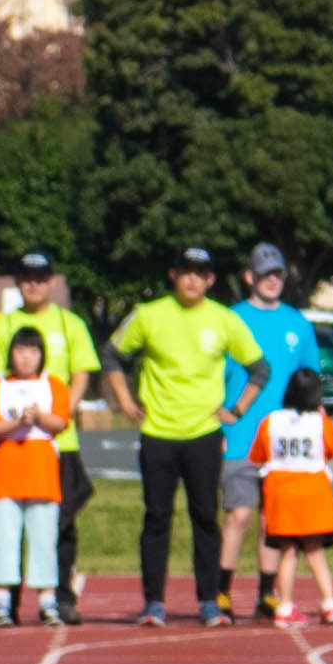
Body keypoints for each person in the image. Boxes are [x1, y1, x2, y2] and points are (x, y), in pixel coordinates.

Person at [105, 245, 260, 630]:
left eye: (200, 272)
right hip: (158, 433)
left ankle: (209, 601)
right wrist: (125, 401)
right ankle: (153, 602)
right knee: (157, 517)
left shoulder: (224, 320)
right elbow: (111, 354)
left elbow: (259, 368)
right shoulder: (148, 315)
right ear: (173, 275)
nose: (192, 279)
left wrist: (237, 410)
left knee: (205, 518)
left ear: (210, 279)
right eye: (184, 271)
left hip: (204, 435)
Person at [0, 252, 102, 623]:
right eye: (26, 277)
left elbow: (82, 373)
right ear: (17, 281)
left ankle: (59, 599)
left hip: (59, 443)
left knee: (59, 526)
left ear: (51, 282)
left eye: (40, 277)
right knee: (8, 527)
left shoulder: (69, 323)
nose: (34, 284)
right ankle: (6, 603)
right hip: (11, 449)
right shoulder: (3, 325)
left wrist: (59, 413)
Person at [218, 242, 320, 620]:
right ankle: (222, 590)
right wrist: (219, 416)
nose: (272, 280)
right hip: (241, 434)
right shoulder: (230, 319)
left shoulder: (297, 323)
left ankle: (266, 593)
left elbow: (310, 381)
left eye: (277, 274)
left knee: (271, 522)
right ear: (250, 277)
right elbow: (214, 374)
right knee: (239, 514)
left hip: (284, 442)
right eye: (265, 274)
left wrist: (315, 426)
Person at [0, 326, 68, 629]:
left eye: (32, 351)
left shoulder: (53, 385)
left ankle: (47, 603)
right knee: (4, 540)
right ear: (10, 354)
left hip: (42, 475)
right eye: (20, 350)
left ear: (41, 355)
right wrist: (18, 421)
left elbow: (60, 422)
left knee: (44, 540)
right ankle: (1, 603)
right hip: (4, 475)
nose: (26, 358)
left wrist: (38, 417)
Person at [248, 366, 333, 628]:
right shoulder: (321, 423)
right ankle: (329, 604)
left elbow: (257, 454)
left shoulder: (271, 421)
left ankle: (286, 605)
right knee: (316, 553)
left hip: (281, 495)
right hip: (314, 494)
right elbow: (330, 450)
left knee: (287, 552)